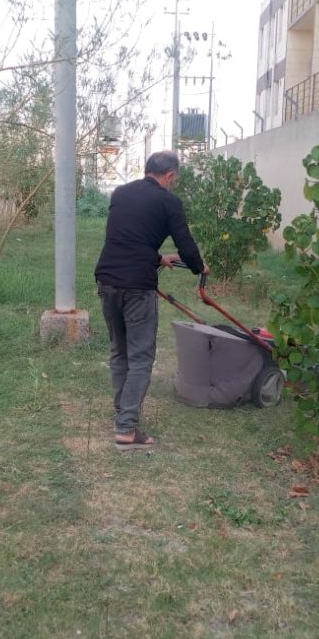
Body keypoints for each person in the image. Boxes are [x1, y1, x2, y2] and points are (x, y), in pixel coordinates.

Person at [94, 150, 208, 451]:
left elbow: (128, 238)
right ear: (170, 175)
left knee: (119, 351)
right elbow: (186, 245)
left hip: (107, 279)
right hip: (137, 286)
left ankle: (123, 410)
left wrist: (158, 258)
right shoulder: (169, 201)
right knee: (141, 357)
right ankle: (126, 429)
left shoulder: (121, 193)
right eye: (175, 180)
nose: (174, 184)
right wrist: (199, 267)